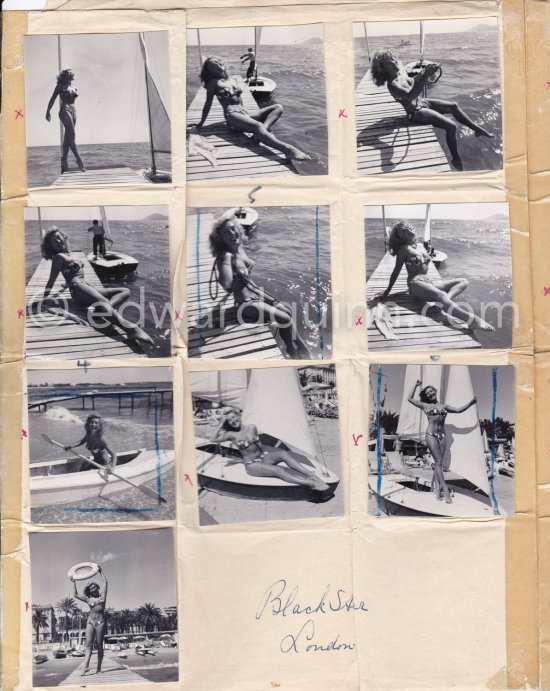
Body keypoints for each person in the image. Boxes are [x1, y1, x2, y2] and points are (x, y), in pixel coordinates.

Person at [209, 209, 310, 358]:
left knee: (287, 311)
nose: (232, 234)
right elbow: (226, 283)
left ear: (238, 229)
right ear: (220, 238)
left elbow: (246, 279)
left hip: (257, 295)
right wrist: (225, 273)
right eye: (226, 232)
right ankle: (296, 350)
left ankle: (294, 348)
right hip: (244, 304)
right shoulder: (226, 257)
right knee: (285, 318)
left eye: (233, 229)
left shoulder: (239, 249)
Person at [369, 50, 492, 171]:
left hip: (422, 102)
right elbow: (411, 95)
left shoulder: (401, 75)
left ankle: (477, 130)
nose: (395, 64)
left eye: (394, 60)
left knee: (454, 106)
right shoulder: (393, 84)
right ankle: (455, 159)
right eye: (389, 63)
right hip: (416, 112)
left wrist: (424, 72)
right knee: (451, 126)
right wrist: (426, 76)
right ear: (382, 69)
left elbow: (414, 81)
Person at [39, 227, 152, 346]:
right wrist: (45, 298)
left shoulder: (68, 254)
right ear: (50, 246)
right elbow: (51, 280)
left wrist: (65, 285)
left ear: (63, 237)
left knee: (124, 291)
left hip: (86, 287)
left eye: (58, 237)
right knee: (103, 301)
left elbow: (67, 274)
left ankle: (99, 311)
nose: (57, 241)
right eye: (53, 241)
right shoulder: (58, 257)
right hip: (78, 288)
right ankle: (131, 329)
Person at [379, 221, 494, 332]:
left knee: (463, 281)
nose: (409, 231)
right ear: (401, 236)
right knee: (441, 295)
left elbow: (426, 260)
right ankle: (472, 320)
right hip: (415, 283)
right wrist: (387, 291)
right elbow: (395, 272)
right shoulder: (404, 249)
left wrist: (428, 252)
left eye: (409, 228)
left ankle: (444, 302)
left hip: (428, 281)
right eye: (404, 231)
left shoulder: (420, 246)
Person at [192, 56, 309, 162]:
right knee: (257, 125)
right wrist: (201, 123)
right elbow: (207, 104)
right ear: (210, 70)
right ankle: (287, 149)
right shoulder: (213, 83)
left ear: (223, 63)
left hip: (244, 114)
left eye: (217, 61)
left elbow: (240, 100)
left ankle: (263, 131)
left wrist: (246, 116)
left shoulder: (233, 79)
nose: (217, 64)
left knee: (278, 107)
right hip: (232, 115)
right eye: (213, 64)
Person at [212, 408, 334, 502]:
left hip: (261, 458)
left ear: (238, 415)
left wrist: (265, 453)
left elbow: (258, 443)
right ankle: (311, 484)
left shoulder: (252, 427)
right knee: (278, 471)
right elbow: (213, 439)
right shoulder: (231, 434)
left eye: (234, 417)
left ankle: (310, 475)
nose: (233, 421)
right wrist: (221, 422)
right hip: (252, 465)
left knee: (283, 453)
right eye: (230, 420)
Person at [408, 379, 477, 503]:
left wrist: (471, 403)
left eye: (431, 391)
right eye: (427, 393)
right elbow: (409, 398)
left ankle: (436, 488)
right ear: (426, 396)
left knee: (438, 463)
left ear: (435, 392)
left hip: (443, 436)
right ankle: (444, 489)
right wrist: (416, 385)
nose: (430, 394)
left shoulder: (444, 406)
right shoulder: (425, 406)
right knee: (438, 461)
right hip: (431, 435)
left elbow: (459, 410)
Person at [45, 68, 86, 174]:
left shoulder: (74, 88)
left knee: (67, 138)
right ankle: (78, 159)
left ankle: (64, 160)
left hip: (74, 112)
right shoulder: (59, 87)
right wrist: (48, 111)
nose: (72, 74)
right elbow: (53, 98)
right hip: (64, 110)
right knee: (72, 135)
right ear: (64, 76)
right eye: (69, 73)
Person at [71, 566, 108, 676]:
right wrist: (74, 581)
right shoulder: (88, 599)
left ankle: (99, 668)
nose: (93, 589)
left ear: (97, 587)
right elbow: (75, 594)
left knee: (99, 644)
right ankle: (86, 666)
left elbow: (105, 582)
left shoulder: (103, 595)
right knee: (88, 644)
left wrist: (100, 571)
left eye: (94, 587)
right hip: (90, 622)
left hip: (101, 622)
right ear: (89, 591)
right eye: (91, 589)